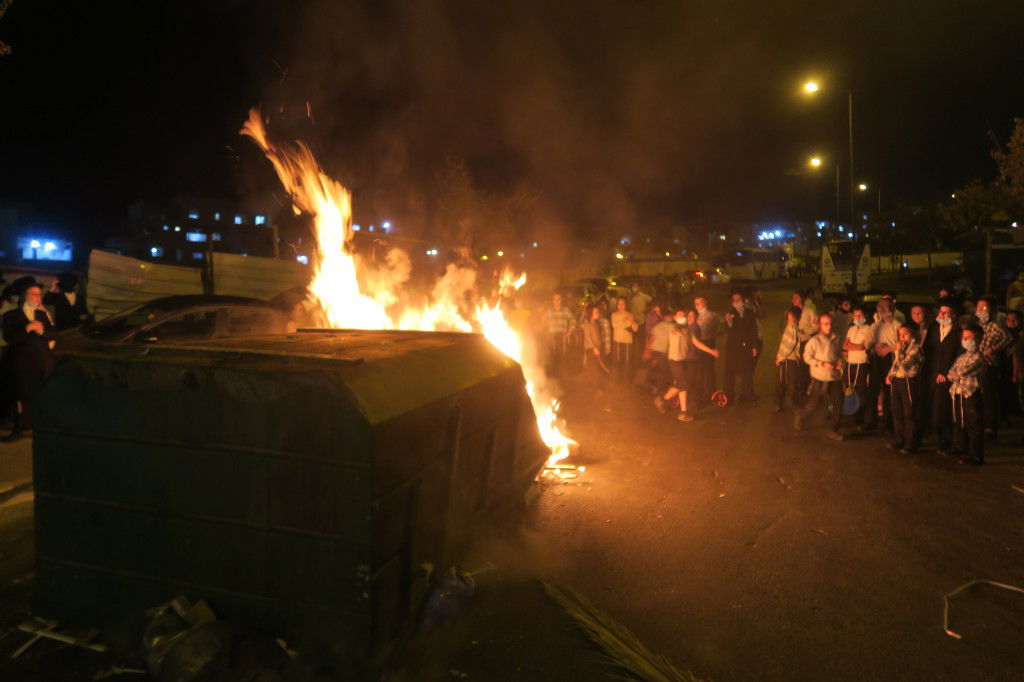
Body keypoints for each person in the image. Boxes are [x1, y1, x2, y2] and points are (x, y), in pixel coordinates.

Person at [2, 280, 57, 440]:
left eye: (39, 295)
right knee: (19, 393)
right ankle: (18, 427)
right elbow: (9, 338)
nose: (38, 297)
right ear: (25, 296)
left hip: (42, 360)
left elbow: (54, 334)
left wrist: (42, 332)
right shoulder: (11, 315)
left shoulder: (43, 313)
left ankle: (37, 426)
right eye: (34, 294)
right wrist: (27, 328)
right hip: (21, 361)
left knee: (39, 394)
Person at [655, 309, 718, 422]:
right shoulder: (673, 328)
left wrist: (711, 351)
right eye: (680, 315)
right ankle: (682, 413)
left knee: (682, 385)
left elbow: (698, 344)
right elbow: (674, 330)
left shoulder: (688, 331)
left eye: (684, 315)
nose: (683, 317)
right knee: (683, 385)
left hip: (682, 361)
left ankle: (663, 400)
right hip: (674, 361)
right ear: (675, 318)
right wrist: (677, 330)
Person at [793, 313, 844, 441]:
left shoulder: (836, 338)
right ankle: (800, 415)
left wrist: (839, 362)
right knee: (814, 403)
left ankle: (833, 429)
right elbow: (807, 357)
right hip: (820, 377)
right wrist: (821, 363)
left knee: (838, 402)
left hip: (834, 377)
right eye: (825, 323)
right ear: (820, 325)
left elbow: (839, 354)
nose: (829, 326)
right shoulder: (815, 341)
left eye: (830, 323)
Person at [924, 300, 962, 456]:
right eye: (940, 312)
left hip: (946, 377)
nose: (941, 315)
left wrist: (945, 373)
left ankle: (945, 442)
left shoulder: (958, 333)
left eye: (945, 312)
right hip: (930, 374)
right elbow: (927, 349)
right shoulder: (933, 328)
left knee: (943, 410)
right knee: (930, 407)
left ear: (953, 315)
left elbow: (958, 356)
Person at [947, 326, 985, 465]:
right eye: (963, 337)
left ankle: (975, 454)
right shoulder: (962, 356)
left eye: (968, 337)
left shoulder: (979, 356)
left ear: (977, 339)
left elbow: (964, 371)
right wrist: (956, 373)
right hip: (958, 392)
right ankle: (961, 448)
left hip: (971, 393)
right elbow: (951, 373)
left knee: (973, 424)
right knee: (959, 421)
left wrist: (957, 373)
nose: (965, 340)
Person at [975, 297, 1011, 440]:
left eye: (984, 308)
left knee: (988, 396)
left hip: (988, 365)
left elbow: (1007, 338)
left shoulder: (995, 326)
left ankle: (990, 427)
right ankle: (979, 424)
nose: (981, 310)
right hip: (975, 365)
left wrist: (993, 349)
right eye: (979, 307)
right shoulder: (976, 325)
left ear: (992, 310)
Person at [885, 323, 924, 453]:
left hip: (909, 380)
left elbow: (905, 364)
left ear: (912, 335)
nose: (902, 337)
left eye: (905, 334)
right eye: (900, 334)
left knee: (909, 412)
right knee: (897, 410)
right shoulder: (901, 348)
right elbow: (896, 363)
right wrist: (890, 374)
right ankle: (899, 439)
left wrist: (898, 350)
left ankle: (911, 442)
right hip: (898, 380)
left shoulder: (916, 348)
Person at [864, 298, 899, 433]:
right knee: (872, 390)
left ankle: (889, 423)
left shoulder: (897, 325)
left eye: (885, 307)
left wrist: (888, 348)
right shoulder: (874, 326)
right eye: (879, 307)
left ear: (891, 309)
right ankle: (870, 421)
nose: (881, 310)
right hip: (875, 359)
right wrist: (873, 347)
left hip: (890, 359)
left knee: (889, 391)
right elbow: (868, 344)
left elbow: (901, 343)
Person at [724, 291, 759, 403]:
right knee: (730, 372)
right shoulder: (730, 313)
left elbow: (754, 330)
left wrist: (755, 346)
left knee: (747, 371)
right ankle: (728, 396)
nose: (736, 302)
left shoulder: (750, 313)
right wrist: (729, 322)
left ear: (743, 301)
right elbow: (727, 330)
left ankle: (747, 394)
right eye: (734, 300)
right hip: (733, 347)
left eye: (738, 299)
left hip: (747, 346)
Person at [843, 305, 873, 428]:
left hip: (862, 363)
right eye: (855, 315)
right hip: (850, 363)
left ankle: (860, 417)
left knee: (861, 391)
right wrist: (854, 346)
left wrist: (852, 346)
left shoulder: (868, 329)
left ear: (865, 316)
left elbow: (863, 346)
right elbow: (844, 345)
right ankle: (851, 412)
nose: (857, 317)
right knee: (849, 388)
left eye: (859, 315)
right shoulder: (851, 329)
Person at [694, 296, 723, 403]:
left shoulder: (712, 315)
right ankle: (704, 391)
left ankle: (710, 391)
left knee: (708, 369)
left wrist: (716, 333)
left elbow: (721, 325)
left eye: (700, 303)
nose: (697, 306)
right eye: (696, 304)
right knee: (702, 369)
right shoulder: (697, 316)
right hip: (700, 344)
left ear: (705, 303)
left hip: (708, 343)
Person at [774, 306, 803, 412]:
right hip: (791, 360)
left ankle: (785, 403)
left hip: (788, 360)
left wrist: (780, 357)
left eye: (789, 314)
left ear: (791, 316)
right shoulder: (793, 326)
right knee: (791, 383)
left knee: (784, 382)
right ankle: (792, 403)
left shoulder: (791, 327)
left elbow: (789, 345)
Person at [543, 292, 575, 379]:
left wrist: (568, 333)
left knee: (562, 359)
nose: (557, 301)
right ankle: (553, 379)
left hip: (562, 337)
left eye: (559, 299)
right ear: (552, 301)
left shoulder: (565, 310)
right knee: (552, 359)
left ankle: (563, 379)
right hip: (552, 337)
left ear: (561, 301)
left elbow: (573, 321)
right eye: (555, 299)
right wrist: (548, 324)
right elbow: (543, 323)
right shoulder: (549, 312)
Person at [644, 308, 674, 395]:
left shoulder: (658, 326)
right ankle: (658, 390)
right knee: (662, 372)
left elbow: (651, 339)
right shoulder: (672, 327)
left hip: (654, 351)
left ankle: (653, 388)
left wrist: (647, 351)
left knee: (654, 370)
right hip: (662, 353)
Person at [1000, 310, 1022, 423]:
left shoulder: (1021, 334)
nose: (1011, 322)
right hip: (1005, 367)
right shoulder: (1003, 334)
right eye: (1009, 319)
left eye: (1014, 319)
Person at [610, 297, 639, 383]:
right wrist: (624, 321)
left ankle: (626, 382)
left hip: (627, 341)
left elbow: (635, 329)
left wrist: (632, 322)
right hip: (617, 341)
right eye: (619, 304)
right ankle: (615, 381)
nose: (621, 306)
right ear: (617, 306)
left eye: (622, 304)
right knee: (616, 361)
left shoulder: (630, 315)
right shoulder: (614, 315)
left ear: (625, 305)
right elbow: (615, 325)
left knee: (627, 362)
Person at [581, 304, 609, 386]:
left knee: (596, 368)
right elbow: (588, 337)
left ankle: (595, 387)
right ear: (591, 313)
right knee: (593, 369)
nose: (598, 313)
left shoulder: (596, 324)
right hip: (591, 350)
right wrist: (594, 348)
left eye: (598, 312)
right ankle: (594, 388)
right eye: (596, 312)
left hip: (597, 349)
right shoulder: (587, 324)